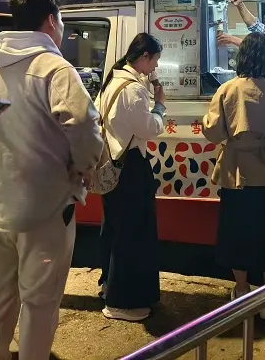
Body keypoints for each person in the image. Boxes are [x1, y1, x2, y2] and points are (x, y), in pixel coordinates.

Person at [0, 0, 104, 360]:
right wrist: (84, 165)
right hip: (45, 208)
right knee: (40, 301)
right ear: (51, 21)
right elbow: (84, 122)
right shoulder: (55, 68)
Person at [202, 32, 265, 319]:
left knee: (237, 234)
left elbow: (213, 131)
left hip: (238, 175)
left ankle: (241, 290)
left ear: (242, 57)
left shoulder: (229, 89)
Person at [95, 33, 165, 322]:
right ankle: (122, 302)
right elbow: (149, 129)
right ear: (144, 56)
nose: (155, 66)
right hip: (131, 167)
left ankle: (109, 286)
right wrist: (159, 106)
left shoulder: (112, 80)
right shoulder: (133, 89)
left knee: (115, 229)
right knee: (133, 234)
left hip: (113, 164)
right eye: (155, 60)